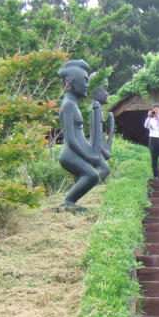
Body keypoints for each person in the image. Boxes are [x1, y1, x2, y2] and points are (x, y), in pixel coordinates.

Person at [57, 60, 104, 211]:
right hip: (69, 154)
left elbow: (79, 136)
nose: (87, 85)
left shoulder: (72, 104)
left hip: (75, 152)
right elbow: (70, 139)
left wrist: (91, 151)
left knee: (91, 176)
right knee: (91, 176)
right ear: (72, 81)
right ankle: (68, 203)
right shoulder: (68, 104)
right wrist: (88, 157)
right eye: (85, 80)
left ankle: (69, 203)